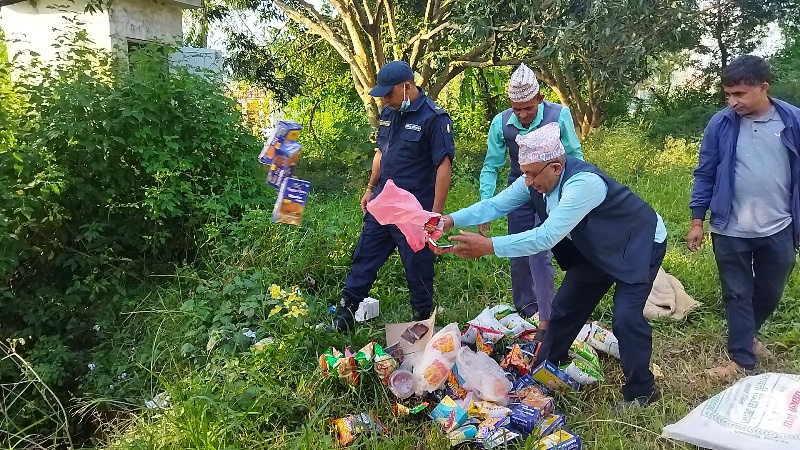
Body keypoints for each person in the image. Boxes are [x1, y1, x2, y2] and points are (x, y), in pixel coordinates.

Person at [441, 122, 667, 409]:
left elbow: (545, 236)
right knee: (565, 308)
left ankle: (642, 391)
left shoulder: (584, 184)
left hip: (637, 243)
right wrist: (450, 219)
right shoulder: (535, 179)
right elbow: (497, 205)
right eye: (525, 174)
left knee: (626, 319)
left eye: (533, 175)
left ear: (556, 168)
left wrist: (490, 246)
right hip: (597, 246)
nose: (528, 182)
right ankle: (548, 367)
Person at [686, 55, 800, 378]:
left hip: (779, 226)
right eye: (728, 94)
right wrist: (697, 220)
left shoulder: (792, 121)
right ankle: (740, 359)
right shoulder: (720, 125)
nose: (732, 102)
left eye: (740, 94)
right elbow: (705, 173)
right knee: (737, 292)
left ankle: (747, 335)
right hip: (730, 228)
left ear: (763, 88)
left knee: (770, 289)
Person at [329, 61, 455, 332]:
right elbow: (381, 153)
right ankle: (344, 315)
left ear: (407, 86)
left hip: (414, 209)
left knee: (418, 267)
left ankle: (423, 323)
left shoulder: (434, 118)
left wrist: (434, 215)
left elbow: (443, 167)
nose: (385, 99)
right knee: (365, 255)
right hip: (383, 203)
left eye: (389, 93)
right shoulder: (389, 113)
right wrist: (370, 188)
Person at [478, 63, 583, 339]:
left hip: (552, 188)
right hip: (521, 188)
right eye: (517, 109)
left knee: (539, 250)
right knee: (517, 250)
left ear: (540, 99)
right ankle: (526, 309)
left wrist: (574, 197)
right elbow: (491, 166)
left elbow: (574, 155)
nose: (523, 114)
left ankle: (548, 317)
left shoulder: (559, 115)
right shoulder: (501, 123)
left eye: (528, 108)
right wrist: (486, 208)